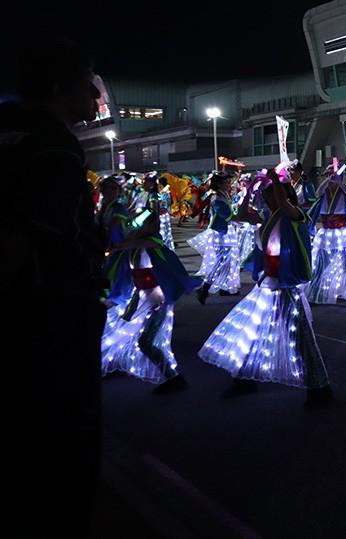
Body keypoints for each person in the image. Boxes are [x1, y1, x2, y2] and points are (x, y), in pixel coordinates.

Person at [1, 36, 106, 534]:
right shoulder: (52, 147)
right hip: (49, 324)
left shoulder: (10, 131)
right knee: (62, 461)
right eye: (88, 85)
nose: (96, 96)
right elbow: (22, 239)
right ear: (61, 88)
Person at [199, 169, 333, 408]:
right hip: (267, 284)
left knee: (300, 339)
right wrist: (248, 191)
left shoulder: (295, 214)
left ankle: (320, 388)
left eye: (269, 193)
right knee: (250, 331)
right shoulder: (267, 216)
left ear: (282, 194)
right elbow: (241, 215)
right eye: (265, 194)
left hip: (286, 286)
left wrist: (274, 179)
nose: (265, 197)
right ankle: (244, 378)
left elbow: (283, 202)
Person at [100, 178, 199, 391]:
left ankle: (173, 378)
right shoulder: (136, 246)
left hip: (157, 300)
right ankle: (165, 375)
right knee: (125, 332)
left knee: (145, 341)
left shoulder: (153, 241)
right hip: (143, 298)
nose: (139, 226)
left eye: (145, 224)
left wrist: (123, 238)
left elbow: (126, 242)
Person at [306, 160, 346, 311]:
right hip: (326, 234)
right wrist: (328, 180)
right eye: (327, 175)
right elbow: (317, 193)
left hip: (342, 234)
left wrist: (340, 183)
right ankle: (312, 296)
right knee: (320, 267)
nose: (331, 177)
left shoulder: (344, 191)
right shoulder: (324, 192)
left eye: (332, 175)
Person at [189, 172, 241, 303]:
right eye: (224, 181)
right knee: (220, 261)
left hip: (226, 231)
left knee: (228, 261)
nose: (227, 183)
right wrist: (243, 218)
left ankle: (223, 287)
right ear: (218, 183)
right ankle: (205, 288)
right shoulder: (216, 197)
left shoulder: (223, 194)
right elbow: (227, 215)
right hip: (220, 232)